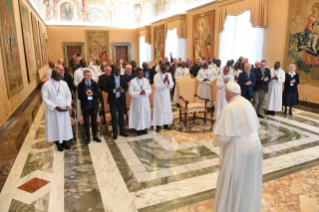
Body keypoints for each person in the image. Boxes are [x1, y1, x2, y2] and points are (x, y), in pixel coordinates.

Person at [212, 82, 262, 212]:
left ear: (228, 94)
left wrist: (215, 141)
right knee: (248, 181)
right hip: (255, 146)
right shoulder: (247, 103)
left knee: (234, 182)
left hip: (238, 151)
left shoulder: (228, 108)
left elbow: (223, 137)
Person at [41, 69, 73, 152]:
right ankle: (58, 143)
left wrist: (68, 105)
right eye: (58, 76)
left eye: (60, 75)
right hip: (54, 111)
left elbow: (68, 95)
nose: (60, 77)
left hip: (64, 109)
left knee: (65, 125)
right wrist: (55, 106)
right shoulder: (46, 85)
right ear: (53, 76)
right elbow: (45, 98)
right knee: (55, 126)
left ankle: (65, 142)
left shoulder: (64, 84)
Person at [77, 70, 101, 144]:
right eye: (87, 75)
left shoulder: (95, 84)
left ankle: (95, 136)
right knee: (86, 122)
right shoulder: (80, 85)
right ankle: (87, 137)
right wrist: (86, 95)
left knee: (94, 121)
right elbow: (79, 97)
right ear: (84, 76)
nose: (89, 77)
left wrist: (92, 93)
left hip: (93, 105)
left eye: (90, 75)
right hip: (85, 106)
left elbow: (98, 95)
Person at [106, 65, 128, 139]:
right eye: (116, 70)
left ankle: (121, 131)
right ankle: (115, 132)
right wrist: (114, 90)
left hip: (121, 99)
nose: (118, 72)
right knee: (114, 117)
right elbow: (106, 89)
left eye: (119, 70)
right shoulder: (109, 78)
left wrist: (122, 90)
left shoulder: (123, 78)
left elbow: (126, 88)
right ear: (113, 70)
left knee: (121, 116)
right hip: (113, 100)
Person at [128, 68, 152, 135]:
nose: (141, 75)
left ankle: (144, 128)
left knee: (144, 114)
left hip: (145, 100)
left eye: (142, 74)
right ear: (136, 74)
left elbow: (150, 90)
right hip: (137, 101)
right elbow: (130, 92)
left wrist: (146, 91)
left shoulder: (146, 80)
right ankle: (138, 129)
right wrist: (139, 93)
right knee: (138, 114)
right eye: (139, 74)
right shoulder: (133, 81)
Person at [153, 64, 174, 132]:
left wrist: (168, 81)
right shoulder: (156, 76)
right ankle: (158, 126)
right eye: (163, 70)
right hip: (159, 95)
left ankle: (165, 125)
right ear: (160, 69)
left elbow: (171, 85)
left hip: (166, 95)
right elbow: (157, 87)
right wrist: (164, 81)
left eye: (165, 69)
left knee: (166, 109)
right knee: (159, 110)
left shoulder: (169, 75)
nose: (164, 71)